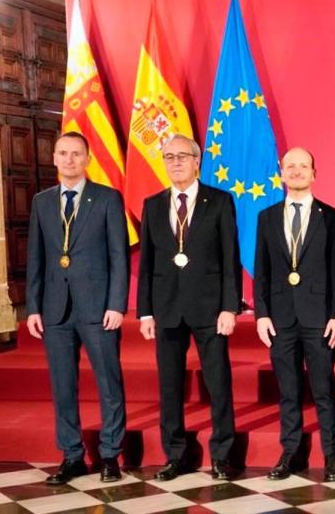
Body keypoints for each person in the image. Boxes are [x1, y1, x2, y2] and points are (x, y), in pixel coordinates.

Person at [137, 133, 242, 481]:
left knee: (218, 382)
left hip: (210, 307)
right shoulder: (152, 204)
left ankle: (222, 455)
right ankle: (176, 454)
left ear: (197, 161)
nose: (176, 162)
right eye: (169, 157)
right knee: (169, 386)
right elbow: (148, 263)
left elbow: (231, 258)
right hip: (166, 307)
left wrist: (230, 307)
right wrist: (145, 311)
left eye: (183, 156)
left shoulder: (220, 201)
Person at [25, 131, 129, 485]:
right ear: (54, 158)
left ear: (87, 159)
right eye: (63, 153)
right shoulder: (42, 201)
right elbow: (36, 257)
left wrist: (117, 303)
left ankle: (111, 454)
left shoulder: (107, 199)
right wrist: (33, 307)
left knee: (109, 383)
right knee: (63, 386)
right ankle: (71, 455)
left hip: (98, 308)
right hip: (55, 309)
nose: (69, 160)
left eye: (76, 154)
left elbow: (119, 256)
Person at [254, 147, 335, 482]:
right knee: (288, 391)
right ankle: (290, 453)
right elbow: (261, 270)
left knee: (324, 389)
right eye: (290, 166)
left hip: (320, 318)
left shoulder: (331, 216)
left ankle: (332, 455)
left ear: (314, 174)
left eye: (303, 166)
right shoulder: (266, 217)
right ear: (281, 173)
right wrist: (261, 314)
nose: (296, 171)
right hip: (280, 319)